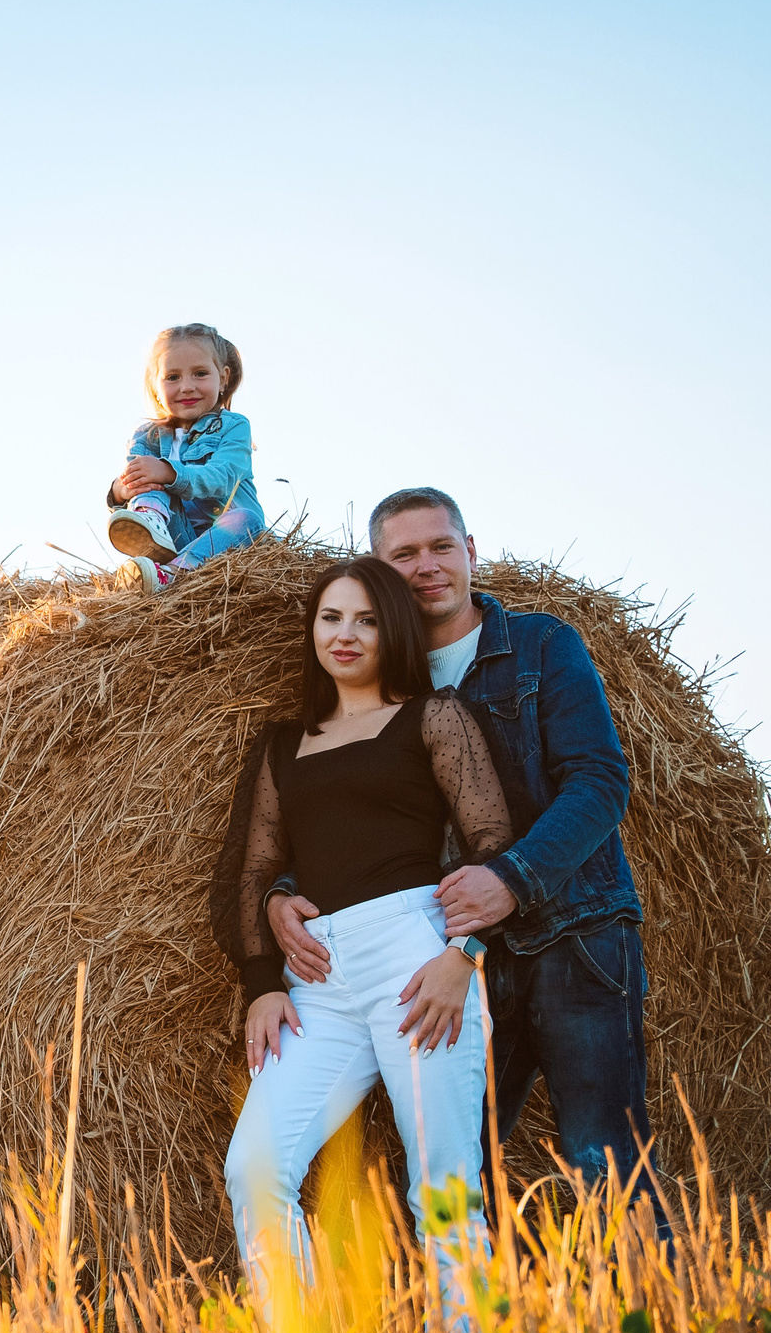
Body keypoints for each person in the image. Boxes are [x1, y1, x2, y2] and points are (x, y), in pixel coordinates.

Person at [267, 487, 658, 1219]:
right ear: (381, 570)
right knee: (453, 1170)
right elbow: (356, 813)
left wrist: (512, 879)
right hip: (450, 963)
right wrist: (283, 890)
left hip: (574, 936)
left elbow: (600, 782)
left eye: (441, 546)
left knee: (604, 1157)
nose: (427, 566)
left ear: (470, 551)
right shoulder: (387, 685)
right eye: (403, 554)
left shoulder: (542, 645)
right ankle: (488, 1323)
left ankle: (651, 1330)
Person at [217, 557, 514, 1329]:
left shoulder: (434, 717)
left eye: (367, 619)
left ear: (395, 631)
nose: (345, 634)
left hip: (416, 959)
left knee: (444, 1190)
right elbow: (255, 864)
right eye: (331, 618)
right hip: (317, 978)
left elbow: (491, 844)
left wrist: (464, 958)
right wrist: (262, 981)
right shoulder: (286, 744)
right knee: (254, 1167)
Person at [104, 322, 267, 591]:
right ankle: (150, 521)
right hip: (172, 535)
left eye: (200, 374)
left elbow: (223, 478)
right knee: (147, 476)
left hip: (227, 541)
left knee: (248, 519)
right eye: (173, 377)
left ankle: (170, 574)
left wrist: (170, 473)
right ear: (156, 386)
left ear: (223, 377)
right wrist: (120, 491)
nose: (187, 386)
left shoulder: (234, 426)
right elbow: (136, 480)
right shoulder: (147, 435)